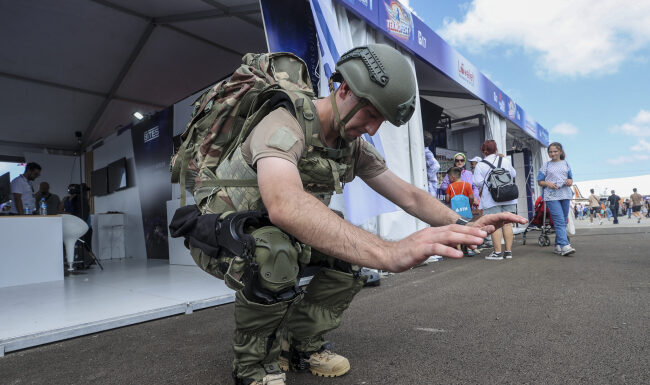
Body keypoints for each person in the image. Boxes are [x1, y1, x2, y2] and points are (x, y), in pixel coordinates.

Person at [169, 44, 527, 385]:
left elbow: (410, 196)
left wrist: (464, 225)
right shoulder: (283, 121)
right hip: (219, 236)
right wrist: (389, 252)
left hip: (270, 232)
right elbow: (286, 204)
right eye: (371, 114)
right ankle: (252, 366)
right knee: (273, 252)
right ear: (342, 90)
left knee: (346, 257)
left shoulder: (349, 146)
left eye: (381, 121)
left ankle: (300, 346)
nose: (372, 128)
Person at [473, 140, 518, 260]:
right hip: (508, 196)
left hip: (492, 198)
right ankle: (508, 252)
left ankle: (497, 253)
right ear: (496, 150)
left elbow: (477, 183)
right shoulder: (504, 160)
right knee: (507, 224)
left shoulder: (480, 164)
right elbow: (513, 174)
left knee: (495, 225)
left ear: (484, 151)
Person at [537, 142, 575, 256]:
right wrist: (548, 183)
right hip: (551, 196)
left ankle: (558, 245)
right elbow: (539, 181)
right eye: (550, 152)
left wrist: (569, 181)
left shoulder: (566, 164)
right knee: (559, 221)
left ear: (560, 152)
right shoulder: (546, 166)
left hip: (565, 194)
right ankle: (565, 245)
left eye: (555, 151)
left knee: (562, 221)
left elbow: (571, 178)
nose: (552, 154)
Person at [446, 167, 476, 256]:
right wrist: (469, 204)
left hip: (455, 213)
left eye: (448, 177)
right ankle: (469, 249)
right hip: (466, 211)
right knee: (468, 229)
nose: (448, 179)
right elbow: (471, 197)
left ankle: (459, 250)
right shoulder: (467, 185)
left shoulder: (450, 186)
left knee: (457, 231)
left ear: (452, 177)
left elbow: (447, 199)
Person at [423, 131, 440, 196]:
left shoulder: (426, 152)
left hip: (430, 188)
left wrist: (426, 176)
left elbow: (436, 166)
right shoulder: (425, 152)